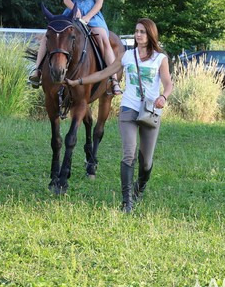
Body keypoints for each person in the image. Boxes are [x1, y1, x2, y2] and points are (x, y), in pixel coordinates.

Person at [69, 18, 173, 213]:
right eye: (137, 31)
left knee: (146, 162)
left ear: (150, 34)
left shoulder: (160, 58)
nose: (138, 35)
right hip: (128, 109)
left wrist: (163, 96)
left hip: (150, 111)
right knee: (128, 154)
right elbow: (104, 73)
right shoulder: (127, 56)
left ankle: (140, 186)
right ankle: (127, 202)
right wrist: (79, 81)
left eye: (142, 32)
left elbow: (168, 83)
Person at [30, 0, 121, 94]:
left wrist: (87, 17)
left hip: (92, 14)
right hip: (71, 13)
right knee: (49, 35)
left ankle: (113, 79)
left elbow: (99, 3)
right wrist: (75, 10)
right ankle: (37, 71)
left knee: (103, 39)